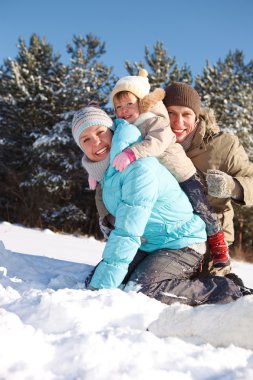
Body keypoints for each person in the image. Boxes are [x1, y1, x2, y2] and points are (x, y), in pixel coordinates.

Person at [71, 104, 248, 306]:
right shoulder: (109, 172)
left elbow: (128, 231)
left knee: (143, 289)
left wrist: (98, 291)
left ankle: (224, 289)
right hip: (152, 243)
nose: (95, 141)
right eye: (86, 139)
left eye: (100, 132)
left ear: (112, 130)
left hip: (181, 241)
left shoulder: (138, 167)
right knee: (107, 279)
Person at [96, 69, 230, 275]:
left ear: (142, 102)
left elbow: (156, 144)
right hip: (165, 182)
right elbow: (109, 153)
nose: (123, 110)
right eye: (118, 107)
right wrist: (93, 170)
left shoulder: (155, 120)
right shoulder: (124, 127)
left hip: (184, 176)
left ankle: (217, 245)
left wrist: (132, 153)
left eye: (129, 104)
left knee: (202, 210)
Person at [163, 82, 253, 273]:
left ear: (196, 117)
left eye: (186, 114)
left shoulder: (223, 145)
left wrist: (232, 186)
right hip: (165, 238)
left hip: (210, 246)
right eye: (171, 113)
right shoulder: (154, 143)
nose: (178, 122)